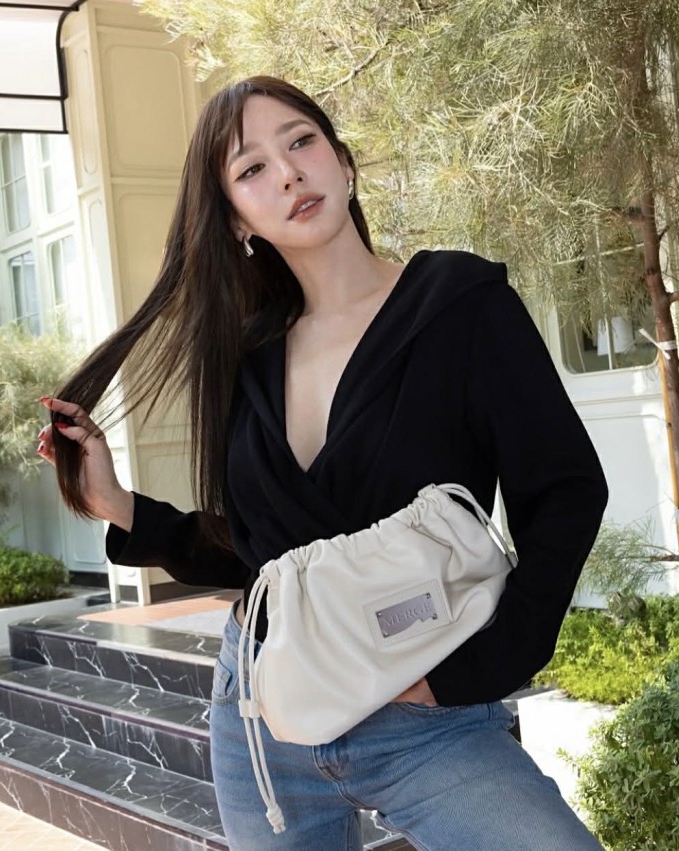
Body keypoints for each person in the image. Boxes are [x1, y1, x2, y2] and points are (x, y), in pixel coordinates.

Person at [37, 76, 609, 851]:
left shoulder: (460, 302)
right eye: (251, 168)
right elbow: (267, 560)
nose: (288, 173)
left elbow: (566, 492)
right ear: (236, 219)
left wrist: (486, 664)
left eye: (301, 142)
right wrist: (118, 504)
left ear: (343, 163)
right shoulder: (249, 358)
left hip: (426, 715)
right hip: (265, 717)